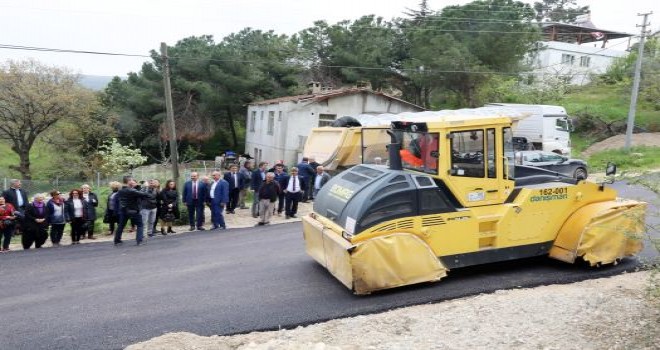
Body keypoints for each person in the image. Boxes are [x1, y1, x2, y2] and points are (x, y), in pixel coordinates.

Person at [114, 177, 154, 246]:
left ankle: (117, 240)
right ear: (129, 181)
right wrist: (146, 187)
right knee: (140, 225)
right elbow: (146, 195)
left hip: (123, 210)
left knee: (121, 225)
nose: (133, 182)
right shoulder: (131, 190)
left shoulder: (120, 190)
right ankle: (139, 241)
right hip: (133, 210)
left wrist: (138, 187)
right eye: (132, 180)